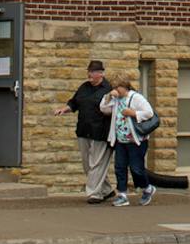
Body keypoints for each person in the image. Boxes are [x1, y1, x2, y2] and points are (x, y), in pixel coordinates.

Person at [56, 60, 116, 202]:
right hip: (83, 130)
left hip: (101, 132)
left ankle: (94, 194)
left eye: (93, 72)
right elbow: (74, 103)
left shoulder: (109, 89)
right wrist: (64, 109)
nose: (90, 74)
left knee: (97, 163)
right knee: (87, 163)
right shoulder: (84, 87)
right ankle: (106, 190)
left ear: (101, 73)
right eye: (89, 71)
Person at [99, 78, 158, 206]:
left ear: (125, 87)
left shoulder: (136, 98)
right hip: (120, 140)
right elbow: (103, 108)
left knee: (136, 168)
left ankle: (147, 188)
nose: (115, 90)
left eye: (117, 87)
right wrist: (108, 96)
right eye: (113, 88)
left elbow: (149, 113)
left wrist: (133, 113)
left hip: (135, 140)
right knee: (120, 167)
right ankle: (122, 195)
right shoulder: (115, 100)